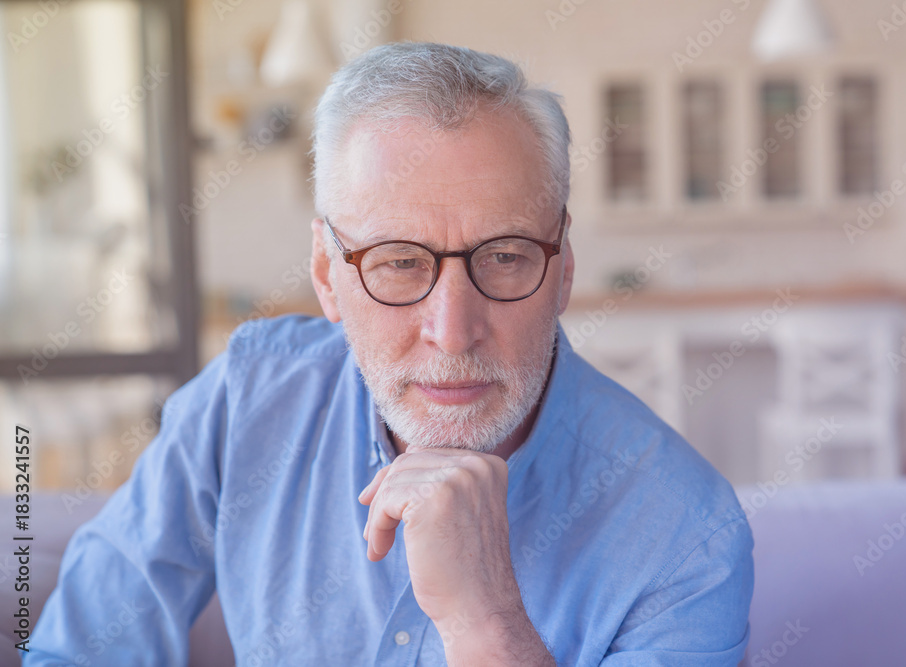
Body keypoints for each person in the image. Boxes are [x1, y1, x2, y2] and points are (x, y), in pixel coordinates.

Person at [27, 42, 753, 666]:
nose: (453, 331)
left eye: (504, 256)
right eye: (400, 262)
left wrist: (487, 622)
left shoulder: (687, 537)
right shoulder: (249, 398)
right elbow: (80, 646)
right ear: (325, 273)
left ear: (562, 268)